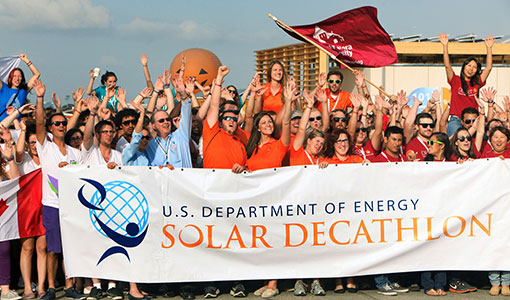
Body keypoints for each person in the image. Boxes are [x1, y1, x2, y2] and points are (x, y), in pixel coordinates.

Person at [33, 78, 85, 300]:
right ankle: (52, 288)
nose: (61, 126)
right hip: (52, 205)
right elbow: (38, 124)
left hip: (72, 206)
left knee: (70, 249)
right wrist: (39, 98)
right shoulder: (46, 148)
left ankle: (70, 286)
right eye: (57, 124)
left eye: (64, 123)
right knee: (53, 249)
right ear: (50, 128)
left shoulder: (75, 152)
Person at [439, 33, 494, 136]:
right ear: (463, 67)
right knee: (457, 140)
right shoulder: (455, 80)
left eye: (474, 67)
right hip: (457, 119)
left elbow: (489, 68)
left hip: (473, 120)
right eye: (469, 65)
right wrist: (445, 46)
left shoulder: (477, 82)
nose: (471, 69)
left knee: (483, 141)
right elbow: (447, 66)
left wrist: (489, 48)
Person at [14, 122, 47, 299]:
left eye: (37, 142)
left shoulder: (50, 158)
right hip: (26, 210)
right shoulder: (23, 159)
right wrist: (23, 130)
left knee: (42, 248)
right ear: (27, 144)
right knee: (27, 248)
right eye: (32, 143)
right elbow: (18, 153)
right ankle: (27, 286)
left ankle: (41, 286)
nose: (35, 146)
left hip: (45, 208)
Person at [145, 76, 192, 168]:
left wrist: (183, 95)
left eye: (167, 119)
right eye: (161, 121)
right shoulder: (150, 145)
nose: (166, 122)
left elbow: (187, 113)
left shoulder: (181, 135)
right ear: (154, 126)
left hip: (184, 181)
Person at [0, 125, 22, 300]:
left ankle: (5, 289)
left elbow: (15, 179)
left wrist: (9, 160)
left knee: (4, 248)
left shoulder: (3, 158)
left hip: (2, 213)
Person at [0, 54, 40, 121]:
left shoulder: (23, 91)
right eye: (14, 76)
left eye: (19, 76)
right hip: (3, 126)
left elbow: (37, 74)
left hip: (17, 127)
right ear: (10, 78)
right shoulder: (3, 88)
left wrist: (26, 60)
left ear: (22, 78)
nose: (17, 78)